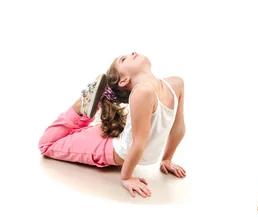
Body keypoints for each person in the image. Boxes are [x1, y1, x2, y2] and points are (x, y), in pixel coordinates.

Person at [38, 52, 186, 198]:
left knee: (61, 140)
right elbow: (140, 141)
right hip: (112, 149)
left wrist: (167, 159)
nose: (132, 52)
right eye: (123, 59)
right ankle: (81, 105)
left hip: (114, 148)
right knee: (47, 145)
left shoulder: (172, 85)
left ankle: (89, 107)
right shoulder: (152, 89)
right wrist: (126, 177)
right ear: (124, 80)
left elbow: (178, 128)